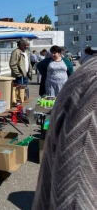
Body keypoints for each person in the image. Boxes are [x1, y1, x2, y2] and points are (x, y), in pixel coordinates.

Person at [33, 57, 97, 209]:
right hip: (53, 83)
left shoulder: (68, 62)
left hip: (62, 83)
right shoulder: (93, 86)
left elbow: (69, 69)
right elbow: (76, 192)